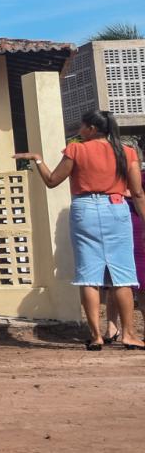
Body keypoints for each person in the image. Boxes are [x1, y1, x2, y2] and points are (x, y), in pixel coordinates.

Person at [17, 110, 145, 350]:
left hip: (84, 208)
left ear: (93, 129)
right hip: (115, 208)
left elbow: (52, 180)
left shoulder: (76, 150)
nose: (79, 129)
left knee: (89, 276)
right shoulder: (126, 153)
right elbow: (137, 193)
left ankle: (96, 336)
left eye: (83, 126)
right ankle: (129, 334)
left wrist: (38, 159)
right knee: (123, 276)